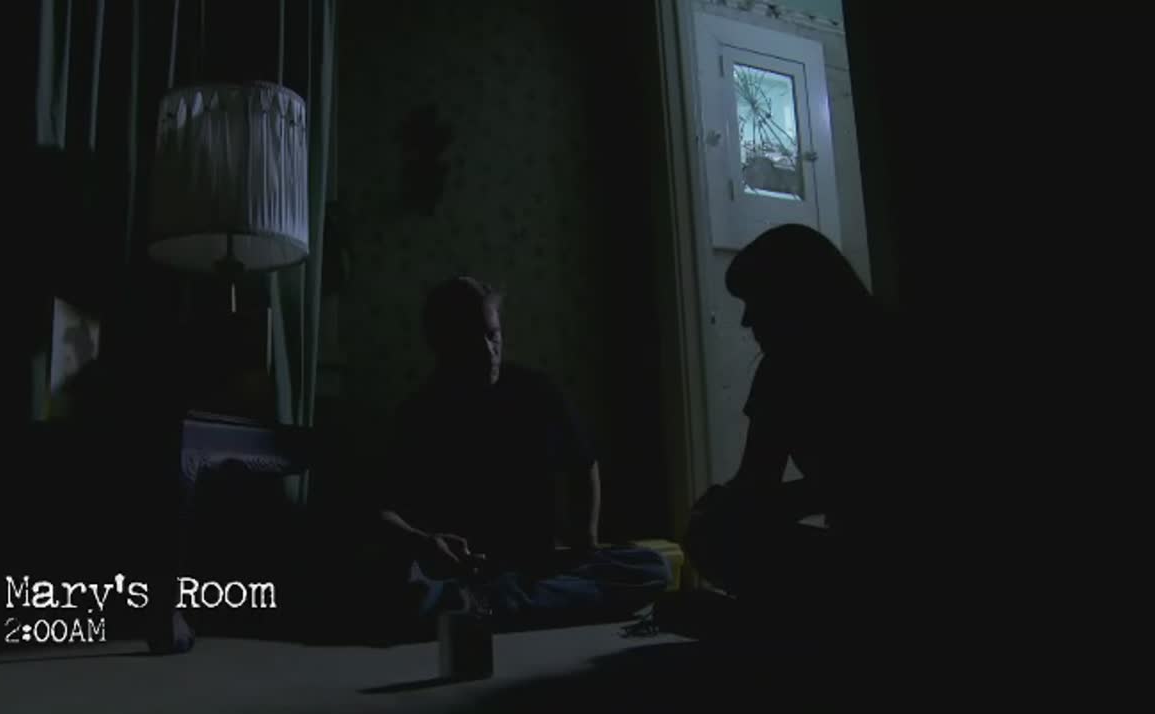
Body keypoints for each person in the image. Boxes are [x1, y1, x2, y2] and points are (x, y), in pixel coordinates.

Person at [376, 276, 671, 627]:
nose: (488, 352)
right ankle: (494, 603)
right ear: (441, 345)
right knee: (392, 578)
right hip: (462, 570)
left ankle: (488, 606)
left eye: (493, 335)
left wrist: (585, 543)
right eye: (471, 340)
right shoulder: (419, 415)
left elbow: (583, 463)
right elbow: (383, 510)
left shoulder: (536, 392)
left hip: (535, 568)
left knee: (651, 567)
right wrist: (424, 543)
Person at [680, 224, 918, 638]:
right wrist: (727, 501)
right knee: (710, 532)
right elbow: (757, 478)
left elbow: (883, 483)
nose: (746, 320)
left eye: (755, 301)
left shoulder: (891, 355)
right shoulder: (777, 373)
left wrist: (774, 502)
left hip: (898, 554)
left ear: (796, 296)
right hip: (845, 550)